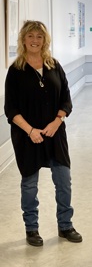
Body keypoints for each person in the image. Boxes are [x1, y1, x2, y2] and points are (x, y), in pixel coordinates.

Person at [4, 21, 82, 247]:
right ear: (23, 39)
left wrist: (57, 121)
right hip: (28, 137)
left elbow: (66, 99)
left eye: (39, 36)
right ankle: (32, 229)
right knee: (29, 185)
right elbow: (11, 109)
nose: (35, 40)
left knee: (64, 181)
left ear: (45, 40)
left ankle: (65, 226)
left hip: (55, 134)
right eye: (31, 36)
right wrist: (30, 130)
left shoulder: (54, 65)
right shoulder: (16, 70)